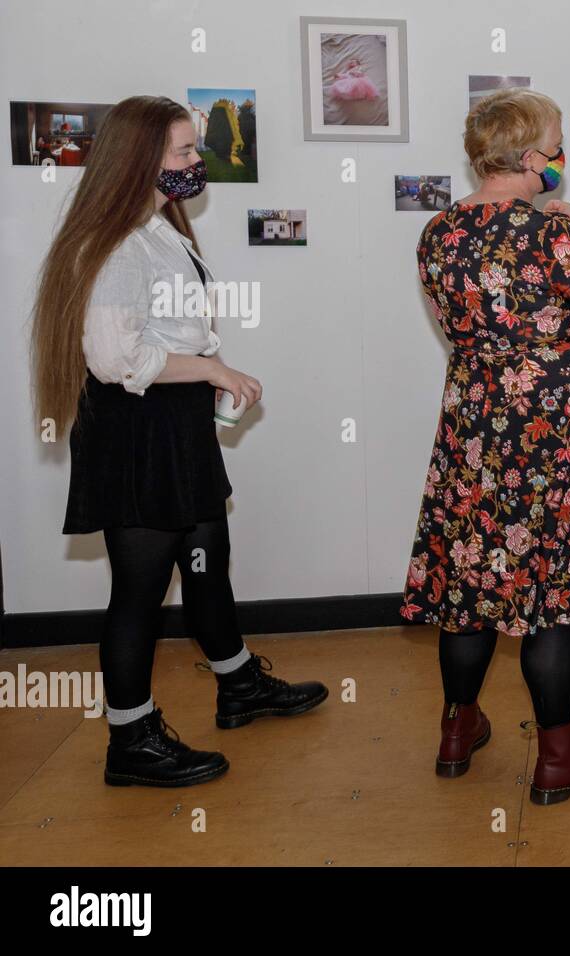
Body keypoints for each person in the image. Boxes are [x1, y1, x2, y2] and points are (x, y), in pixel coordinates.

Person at [29, 95, 328, 788]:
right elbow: (115, 358)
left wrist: (206, 374)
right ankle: (130, 740)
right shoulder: (113, 244)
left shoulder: (155, 228)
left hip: (173, 420)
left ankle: (238, 684)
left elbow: (171, 334)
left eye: (195, 149)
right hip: (138, 429)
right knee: (138, 590)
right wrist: (214, 369)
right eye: (185, 152)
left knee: (206, 557)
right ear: (140, 160)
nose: (199, 163)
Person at [400, 88, 570, 805]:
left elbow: (459, 324)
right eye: (557, 141)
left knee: (469, 584)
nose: (562, 154)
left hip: (473, 427)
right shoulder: (550, 233)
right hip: (548, 435)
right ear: (533, 155)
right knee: (550, 593)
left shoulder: (439, 233)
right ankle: (561, 757)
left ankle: (456, 728)